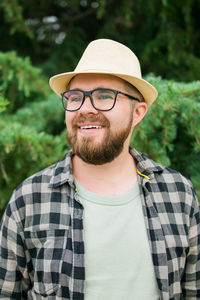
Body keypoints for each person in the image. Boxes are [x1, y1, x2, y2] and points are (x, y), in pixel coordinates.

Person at [0, 39, 199, 300]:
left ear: (138, 112)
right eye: (75, 97)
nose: (85, 108)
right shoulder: (28, 200)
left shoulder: (178, 194)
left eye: (104, 96)